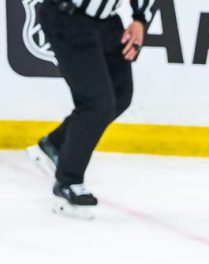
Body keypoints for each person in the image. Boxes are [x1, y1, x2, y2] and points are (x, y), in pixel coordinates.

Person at [25, 0, 155, 217]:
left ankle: (54, 145)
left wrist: (139, 19)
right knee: (96, 103)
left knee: (120, 95)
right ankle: (68, 182)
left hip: (106, 22)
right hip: (67, 17)